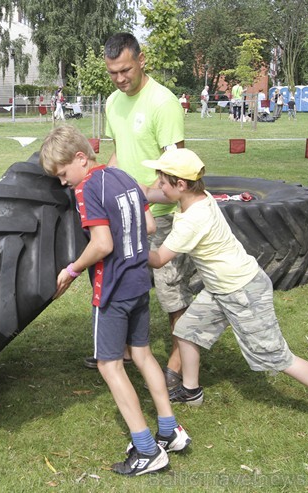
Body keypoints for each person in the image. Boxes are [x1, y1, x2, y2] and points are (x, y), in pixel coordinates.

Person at [140, 148, 308, 440]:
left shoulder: (193, 219)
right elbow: (151, 195)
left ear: (180, 184)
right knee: (187, 330)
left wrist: (130, 239)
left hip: (242, 291)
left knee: (275, 356)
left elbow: (157, 259)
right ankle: (191, 391)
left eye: (162, 181)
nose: (158, 185)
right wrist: (132, 191)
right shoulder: (196, 197)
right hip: (221, 287)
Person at [39, 125, 191, 477]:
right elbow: (150, 227)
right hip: (139, 282)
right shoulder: (123, 176)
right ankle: (169, 431)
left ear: (80, 158)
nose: (64, 183)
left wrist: (72, 270)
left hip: (113, 290)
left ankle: (146, 448)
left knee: (109, 365)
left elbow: (102, 244)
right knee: (142, 353)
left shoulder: (87, 188)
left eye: (63, 174)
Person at [95, 32, 193, 392]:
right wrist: (103, 185)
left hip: (163, 215)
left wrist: (143, 197)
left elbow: (176, 169)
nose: (120, 79)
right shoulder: (112, 102)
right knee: (125, 285)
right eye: (112, 73)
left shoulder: (163, 103)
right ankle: (119, 350)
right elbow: (120, 153)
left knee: (172, 294)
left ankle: (177, 368)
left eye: (125, 70)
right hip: (126, 215)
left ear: (141, 60)